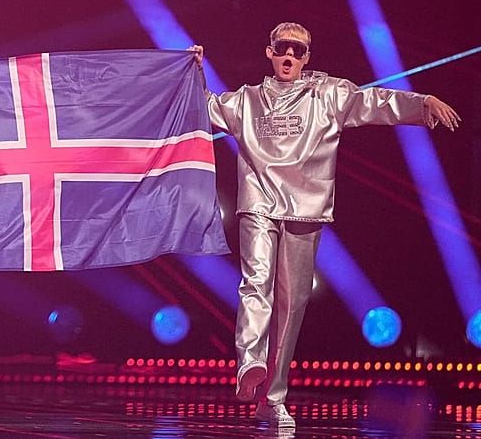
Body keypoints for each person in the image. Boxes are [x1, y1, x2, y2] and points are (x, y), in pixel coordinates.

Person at [190, 22, 460, 428]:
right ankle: (250, 363)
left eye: (297, 51)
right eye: (283, 48)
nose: (289, 56)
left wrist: (422, 103)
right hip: (258, 204)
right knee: (256, 281)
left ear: (307, 57)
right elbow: (203, 107)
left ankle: (273, 398)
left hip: (306, 209)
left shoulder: (328, 94)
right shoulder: (246, 101)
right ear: (269, 52)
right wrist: (192, 70)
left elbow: (376, 101)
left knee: (292, 304)